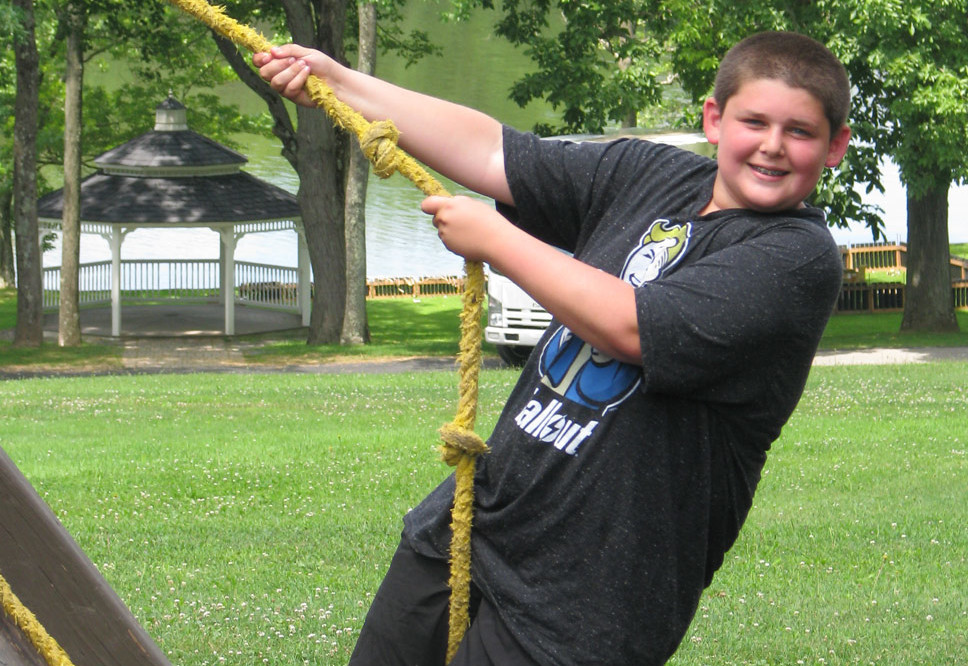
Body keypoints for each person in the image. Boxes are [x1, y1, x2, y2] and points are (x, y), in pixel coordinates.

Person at [254, 30, 851, 666]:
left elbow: (634, 326)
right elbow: (495, 153)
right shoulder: (650, 175)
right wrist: (340, 81)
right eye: (753, 121)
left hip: (585, 603)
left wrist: (498, 242)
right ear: (714, 118)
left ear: (836, 146)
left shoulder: (796, 258)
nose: (771, 146)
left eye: (800, 132)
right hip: (473, 529)